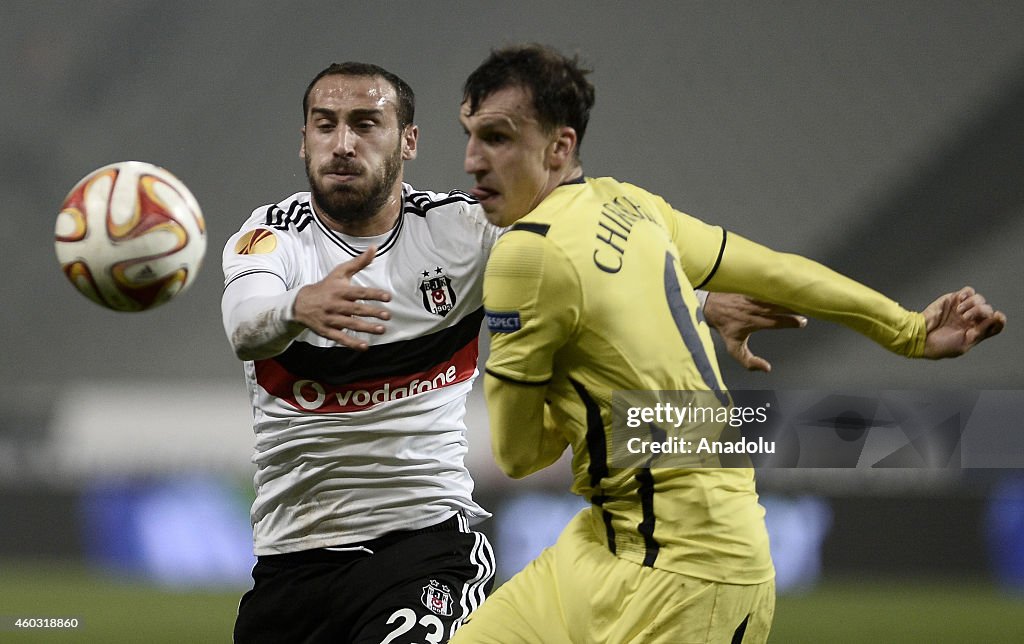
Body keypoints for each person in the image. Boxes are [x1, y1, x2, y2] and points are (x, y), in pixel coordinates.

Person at [220, 61, 796, 644]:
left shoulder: (460, 233)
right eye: (325, 125)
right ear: (304, 141)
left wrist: (697, 302)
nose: (343, 144)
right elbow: (245, 324)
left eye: (366, 124)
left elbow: (584, 266)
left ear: (408, 141)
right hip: (290, 561)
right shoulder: (271, 239)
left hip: (422, 548)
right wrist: (297, 307)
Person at [451, 44, 1006, 644]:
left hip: (688, 576)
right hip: (606, 543)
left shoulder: (524, 254)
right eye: (470, 135)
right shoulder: (629, 206)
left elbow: (518, 455)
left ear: (559, 146)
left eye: (498, 138)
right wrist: (907, 329)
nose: (472, 161)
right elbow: (775, 271)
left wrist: (570, 391)